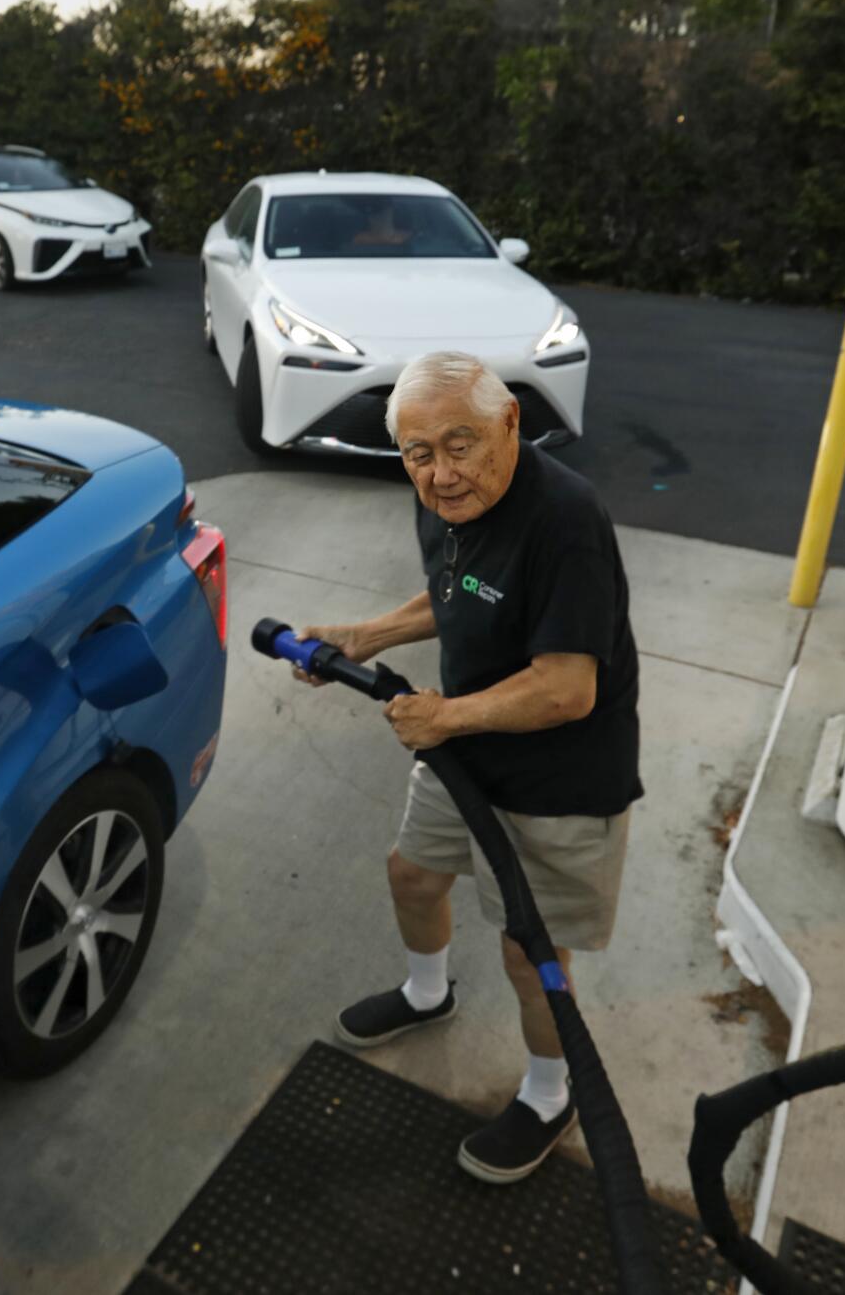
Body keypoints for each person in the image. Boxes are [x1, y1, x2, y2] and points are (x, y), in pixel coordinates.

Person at [296, 350, 642, 1184]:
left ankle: (551, 1093)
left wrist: (443, 714)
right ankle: (427, 993)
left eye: (462, 444)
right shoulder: (446, 498)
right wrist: (366, 637)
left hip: (561, 775)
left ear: (512, 424)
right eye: (419, 452)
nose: (443, 474)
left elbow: (567, 688)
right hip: (464, 751)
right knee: (412, 875)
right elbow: (459, 588)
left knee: (531, 953)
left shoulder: (565, 519)